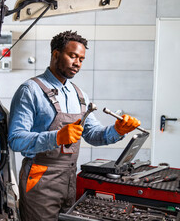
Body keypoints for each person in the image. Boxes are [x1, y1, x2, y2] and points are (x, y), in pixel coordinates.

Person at [8, 30, 140, 221]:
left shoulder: (78, 94)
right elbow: (16, 139)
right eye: (72, 56)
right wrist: (57, 137)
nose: (77, 63)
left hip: (70, 177)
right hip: (39, 178)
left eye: (81, 59)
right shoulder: (30, 90)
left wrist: (117, 130)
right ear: (55, 54)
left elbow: (92, 134)